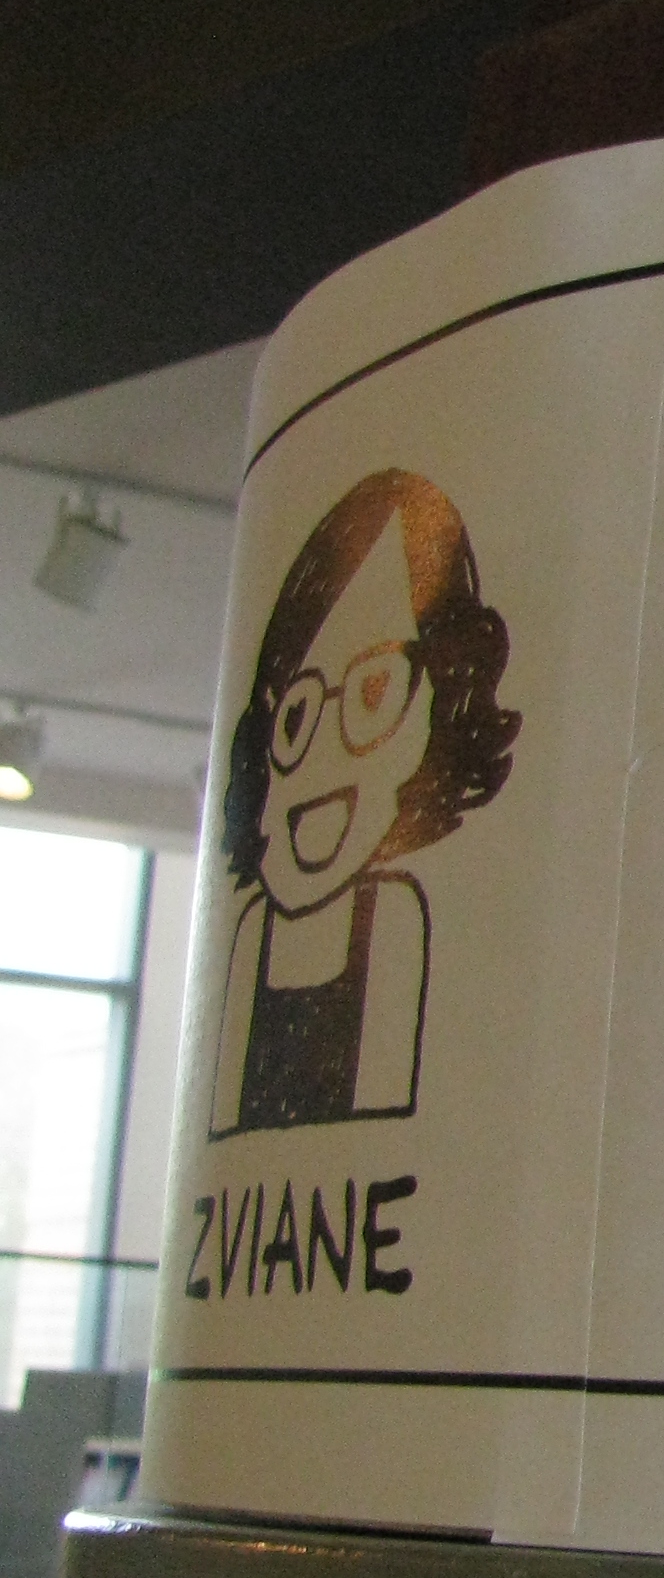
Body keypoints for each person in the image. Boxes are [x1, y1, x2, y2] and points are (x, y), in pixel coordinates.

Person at [210, 469, 518, 1133]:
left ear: (443, 705)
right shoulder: (251, 940)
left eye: (372, 692)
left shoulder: (392, 922)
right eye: (296, 714)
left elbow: (385, 1122)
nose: (322, 747)